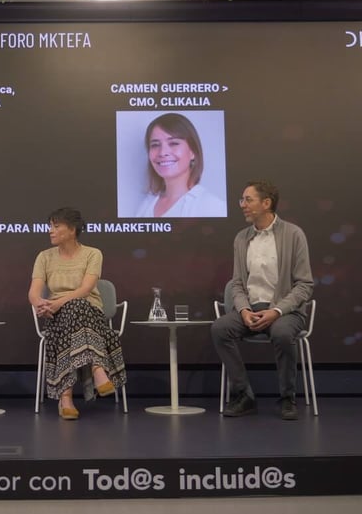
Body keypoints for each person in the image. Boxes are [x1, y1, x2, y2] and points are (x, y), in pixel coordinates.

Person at [210, 181, 313, 420]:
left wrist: (276, 311)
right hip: (252, 309)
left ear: (266, 203)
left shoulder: (293, 234)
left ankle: (287, 398)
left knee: (282, 333)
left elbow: (304, 285)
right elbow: (237, 283)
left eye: (248, 200)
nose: (242, 205)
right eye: (242, 200)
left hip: (286, 312)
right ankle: (244, 395)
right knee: (220, 328)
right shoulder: (241, 238)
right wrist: (244, 311)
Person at [28, 207, 127, 420]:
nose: (50, 231)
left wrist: (58, 303)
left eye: (56, 226)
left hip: (91, 314)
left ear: (72, 230)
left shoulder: (93, 254)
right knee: (73, 310)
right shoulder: (44, 257)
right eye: (50, 226)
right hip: (57, 318)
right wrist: (41, 305)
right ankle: (98, 369)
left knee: (79, 305)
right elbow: (34, 292)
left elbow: (85, 289)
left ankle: (66, 398)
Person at [134, 113, 225, 217]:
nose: (163, 152)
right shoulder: (147, 204)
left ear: (192, 152)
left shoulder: (212, 206)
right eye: (155, 145)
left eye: (173, 143)